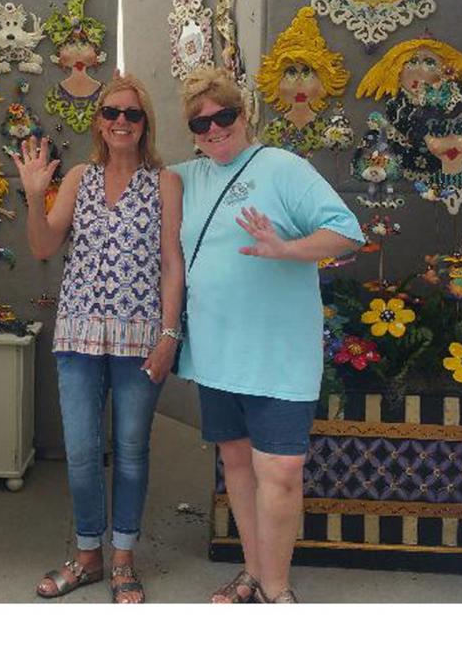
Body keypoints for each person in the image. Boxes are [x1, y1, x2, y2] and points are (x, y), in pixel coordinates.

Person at [171, 67, 363, 603]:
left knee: (279, 470)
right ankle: (253, 573)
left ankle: (277, 590)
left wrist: (287, 249)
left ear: (245, 114)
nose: (214, 129)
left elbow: (347, 232)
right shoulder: (187, 177)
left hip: (278, 355)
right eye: (200, 124)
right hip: (216, 352)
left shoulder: (283, 168)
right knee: (236, 463)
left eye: (224, 116)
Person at [12, 72, 184, 604]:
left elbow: (171, 264)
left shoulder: (165, 183)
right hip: (78, 335)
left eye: (132, 114)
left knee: (131, 450)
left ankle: (124, 558)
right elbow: (43, 246)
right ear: (99, 122)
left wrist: (169, 334)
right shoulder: (79, 177)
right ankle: (88, 555)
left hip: (140, 338)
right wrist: (34, 198)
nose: (121, 122)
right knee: (83, 451)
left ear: (145, 123)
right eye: (111, 113)